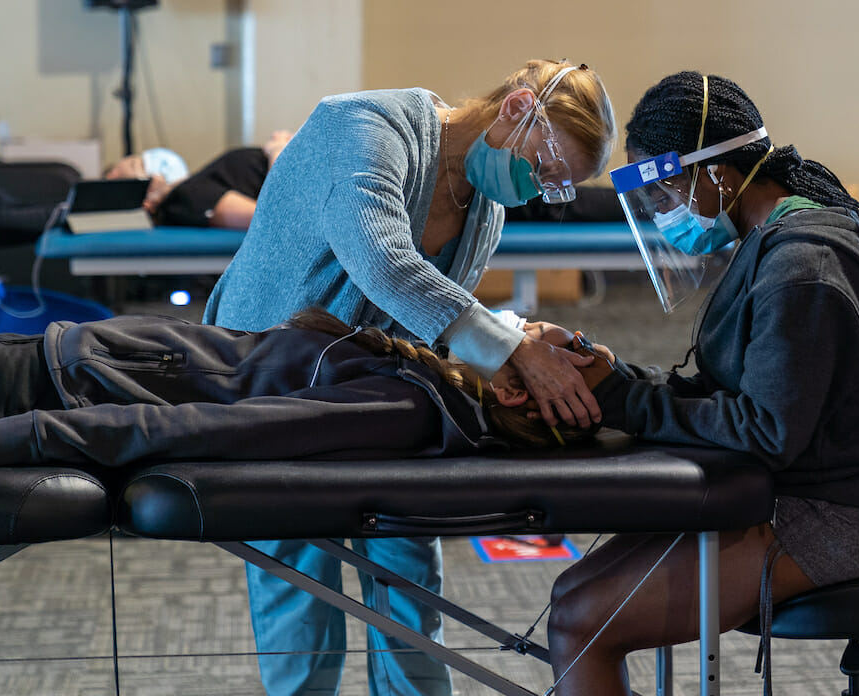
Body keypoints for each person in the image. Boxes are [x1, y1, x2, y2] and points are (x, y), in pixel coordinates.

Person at [202, 59, 617, 696]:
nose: (536, 189)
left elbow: (436, 318)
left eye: (555, 186)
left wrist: (529, 348)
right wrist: (515, 350)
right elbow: (384, 263)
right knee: (299, 583)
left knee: (410, 574)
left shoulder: (486, 209)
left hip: (374, 395)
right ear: (516, 107)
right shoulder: (365, 125)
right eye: (543, 169)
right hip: (270, 376)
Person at [542, 72, 859, 696]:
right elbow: (732, 394)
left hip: (853, 513)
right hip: (797, 487)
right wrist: (616, 378)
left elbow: (763, 431)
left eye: (664, 196)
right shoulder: (770, 243)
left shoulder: (802, 267)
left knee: (582, 621)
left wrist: (622, 398)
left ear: (715, 174)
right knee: (570, 593)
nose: (662, 217)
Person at [0, 308, 592, 470]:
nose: (518, 325)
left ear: (515, 392)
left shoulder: (403, 408)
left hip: (38, 392)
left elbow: (209, 429)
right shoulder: (427, 381)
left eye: (535, 343)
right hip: (61, 363)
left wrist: (11, 439)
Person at [150, 130, 293, 228]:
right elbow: (277, 218)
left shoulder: (194, 188)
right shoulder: (189, 196)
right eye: (134, 164)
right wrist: (279, 152)